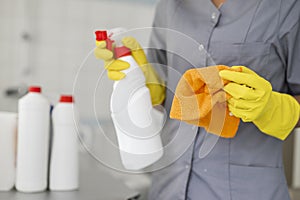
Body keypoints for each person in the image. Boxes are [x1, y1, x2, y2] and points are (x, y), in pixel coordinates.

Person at [95, 0, 300, 199]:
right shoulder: (169, 7)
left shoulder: (288, 8)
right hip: (168, 187)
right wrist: (145, 86)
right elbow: (166, 100)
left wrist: (274, 109)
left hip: (246, 190)